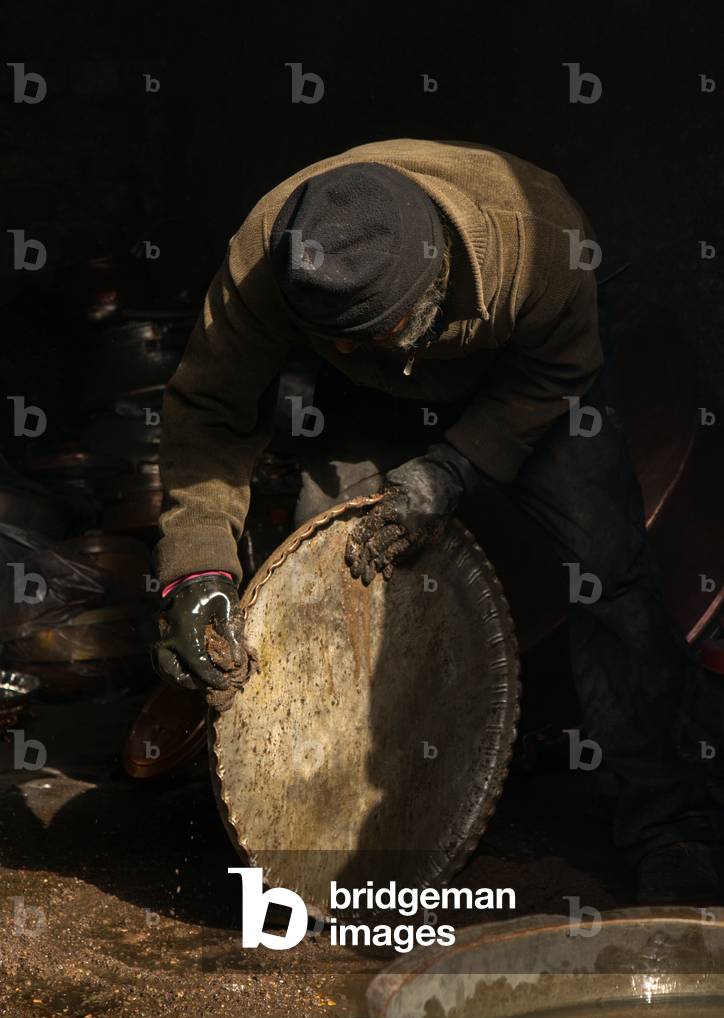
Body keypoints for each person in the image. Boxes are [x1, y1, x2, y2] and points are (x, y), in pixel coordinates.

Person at [151, 139, 722, 904]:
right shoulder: (270, 258)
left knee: (609, 576)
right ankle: (353, 830)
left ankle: (671, 824)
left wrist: (449, 470)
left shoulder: (537, 236)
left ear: (437, 278)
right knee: (330, 576)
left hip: (530, 383)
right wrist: (197, 570)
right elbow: (209, 413)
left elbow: (559, 369)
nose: (352, 344)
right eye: (336, 335)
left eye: (372, 329)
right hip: (369, 395)